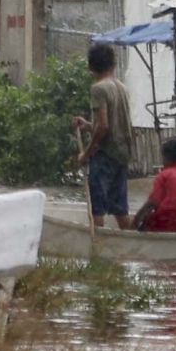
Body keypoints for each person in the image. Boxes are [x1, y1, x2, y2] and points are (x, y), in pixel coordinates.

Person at [72, 42, 134, 229]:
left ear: (90, 67)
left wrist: (87, 154)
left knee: (97, 207)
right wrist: (88, 125)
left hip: (106, 155)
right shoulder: (121, 87)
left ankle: (98, 249)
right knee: (120, 208)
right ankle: (130, 245)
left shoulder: (98, 89)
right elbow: (109, 126)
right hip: (122, 154)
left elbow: (104, 127)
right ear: (113, 65)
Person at [134, 138, 176, 233]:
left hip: (163, 222)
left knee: (143, 226)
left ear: (167, 158)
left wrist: (136, 220)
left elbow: (152, 203)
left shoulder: (164, 175)